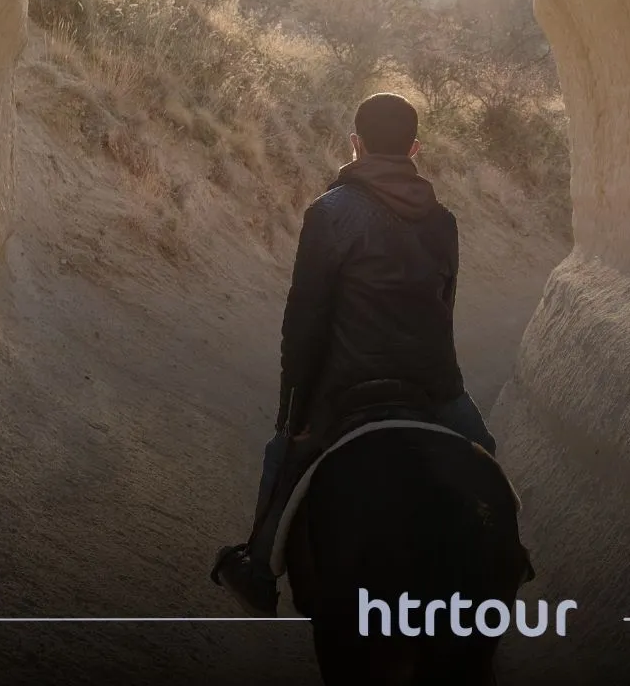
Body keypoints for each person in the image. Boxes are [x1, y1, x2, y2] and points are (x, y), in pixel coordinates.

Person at [211, 93, 497, 615]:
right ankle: (508, 559)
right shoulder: (443, 221)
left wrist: (291, 409)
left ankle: (258, 569)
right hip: (434, 386)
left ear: (355, 144)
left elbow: (305, 319)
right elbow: (444, 309)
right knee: (485, 460)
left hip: (345, 385)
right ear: (415, 148)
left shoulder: (329, 213)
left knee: (283, 459)